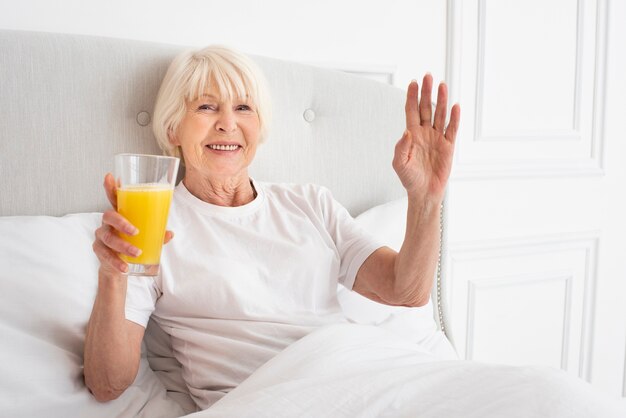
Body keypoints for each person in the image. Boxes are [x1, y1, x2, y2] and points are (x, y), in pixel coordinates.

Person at [83, 45, 460, 410]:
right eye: (206, 106)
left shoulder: (310, 203)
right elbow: (107, 385)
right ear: (171, 130)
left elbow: (405, 290)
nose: (228, 123)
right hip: (265, 400)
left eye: (243, 107)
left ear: (259, 125)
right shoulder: (150, 226)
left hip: (361, 376)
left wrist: (425, 199)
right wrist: (113, 275)